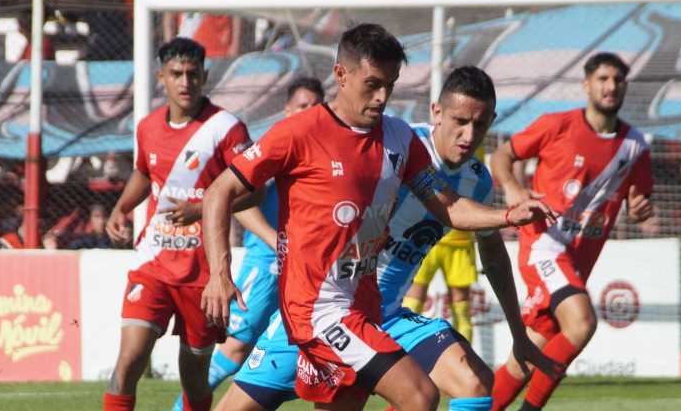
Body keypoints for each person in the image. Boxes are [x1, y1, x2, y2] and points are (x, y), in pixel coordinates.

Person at [200, 24, 553, 411]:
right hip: (315, 310)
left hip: (371, 311)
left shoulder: (400, 140)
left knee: (466, 383)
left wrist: (507, 214)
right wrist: (220, 273)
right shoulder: (298, 133)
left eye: (391, 84)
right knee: (419, 395)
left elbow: (448, 206)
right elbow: (220, 191)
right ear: (341, 75)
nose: (383, 97)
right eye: (372, 84)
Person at [488, 52, 654, 410]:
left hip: (576, 261)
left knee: (526, 359)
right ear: (586, 84)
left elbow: (639, 203)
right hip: (543, 245)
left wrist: (642, 209)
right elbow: (502, 155)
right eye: (603, 79)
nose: (611, 86)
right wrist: (513, 188)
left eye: (618, 80)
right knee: (581, 322)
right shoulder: (556, 125)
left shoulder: (635, 146)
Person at [101, 37, 254, 411]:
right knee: (129, 361)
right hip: (153, 262)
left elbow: (255, 192)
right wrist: (121, 208)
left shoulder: (226, 128)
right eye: (176, 74)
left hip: (204, 273)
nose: (185, 82)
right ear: (161, 78)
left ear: (205, 76)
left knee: (195, 376)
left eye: (192, 74)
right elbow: (143, 173)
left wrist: (201, 209)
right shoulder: (148, 127)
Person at [169, 76, 326, 411]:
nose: (309, 111)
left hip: (304, 274)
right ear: (287, 109)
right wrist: (276, 241)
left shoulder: (322, 151)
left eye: (315, 106)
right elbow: (241, 201)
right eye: (302, 105)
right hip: (267, 268)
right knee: (235, 349)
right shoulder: (277, 148)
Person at [401, 146, 486, 343]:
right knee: (418, 302)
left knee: (457, 309)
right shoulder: (430, 143)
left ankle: (463, 359)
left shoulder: (467, 143)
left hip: (452, 239)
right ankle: (408, 354)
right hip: (433, 237)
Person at [162, 0, 246, 58]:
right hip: (187, 51)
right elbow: (169, 17)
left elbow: (237, 11)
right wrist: (170, 48)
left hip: (219, 50)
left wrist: (235, 44)